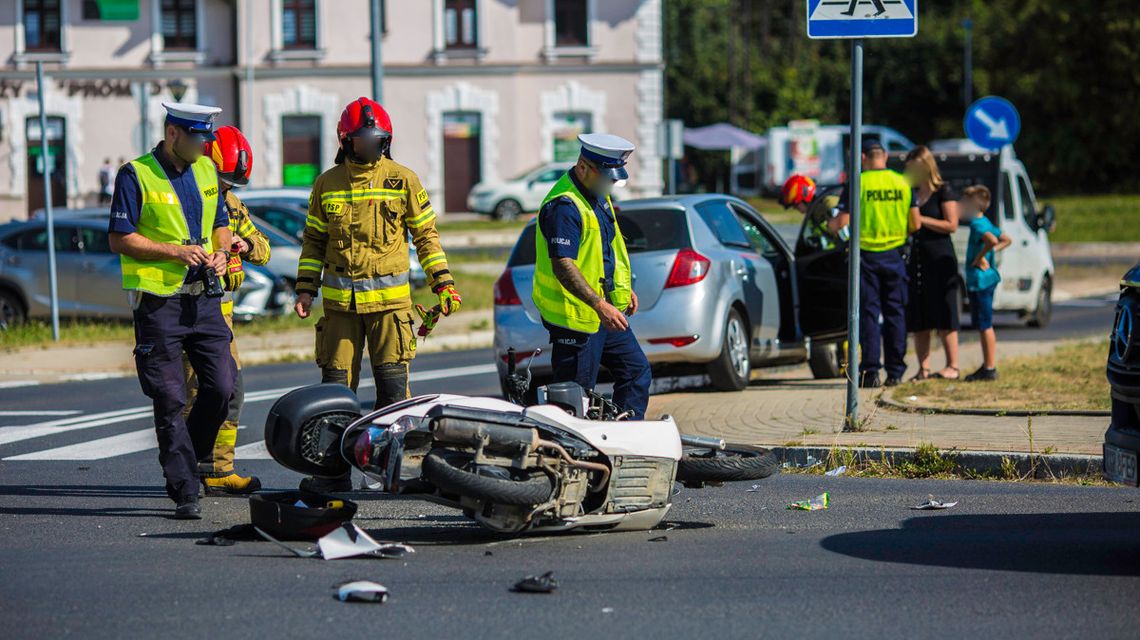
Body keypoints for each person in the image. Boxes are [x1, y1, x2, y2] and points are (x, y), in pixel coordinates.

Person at [294, 97, 460, 493]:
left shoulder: (402, 180)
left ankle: (391, 472)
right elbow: (314, 242)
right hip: (340, 310)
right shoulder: (326, 184)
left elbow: (426, 236)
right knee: (334, 392)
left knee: (392, 392)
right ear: (346, 140)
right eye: (364, 138)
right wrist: (305, 290)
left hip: (389, 309)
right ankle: (332, 473)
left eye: (378, 138)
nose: (372, 144)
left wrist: (444, 282)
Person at [108, 102, 235, 519]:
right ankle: (184, 490)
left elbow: (221, 221)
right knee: (169, 398)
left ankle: (191, 459)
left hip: (204, 298)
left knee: (221, 387)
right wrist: (173, 252)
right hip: (159, 303)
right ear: (173, 134)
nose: (206, 145)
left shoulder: (205, 169)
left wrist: (220, 251)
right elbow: (120, 237)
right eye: (199, 138)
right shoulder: (136, 174)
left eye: (208, 138)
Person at [533, 133, 651, 419]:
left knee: (636, 372)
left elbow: (603, 251)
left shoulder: (597, 194)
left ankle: (626, 440)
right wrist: (600, 305)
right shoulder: (564, 206)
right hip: (576, 318)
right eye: (607, 177)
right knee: (575, 396)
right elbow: (564, 264)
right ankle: (572, 456)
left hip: (603, 312)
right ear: (583, 167)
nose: (611, 184)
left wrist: (618, 292)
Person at [182, 125, 271, 495]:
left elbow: (263, 247)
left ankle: (218, 469)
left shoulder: (231, 203)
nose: (225, 190)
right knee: (192, 392)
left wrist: (243, 245)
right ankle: (186, 472)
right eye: (222, 181)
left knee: (230, 390)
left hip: (221, 314)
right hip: (183, 308)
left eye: (231, 184)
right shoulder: (184, 199)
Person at [836, 138, 921, 388]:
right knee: (896, 313)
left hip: (866, 257)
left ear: (862, 157)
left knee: (868, 315)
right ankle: (895, 372)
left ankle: (870, 371)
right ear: (885, 156)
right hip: (895, 256)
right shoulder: (903, 183)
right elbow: (915, 224)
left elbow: (842, 224)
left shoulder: (857, 182)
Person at [904, 146, 961, 381]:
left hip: (940, 258)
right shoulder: (911, 193)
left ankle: (953, 366)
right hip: (917, 258)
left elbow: (952, 224)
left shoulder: (943, 191)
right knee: (920, 315)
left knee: (945, 313)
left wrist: (922, 220)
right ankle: (923, 368)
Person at [960, 185, 1012, 381]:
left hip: (980, 281)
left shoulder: (976, 224)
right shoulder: (986, 221)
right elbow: (1005, 239)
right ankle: (987, 364)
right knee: (984, 324)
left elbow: (991, 240)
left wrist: (980, 256)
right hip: (987, 278)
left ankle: (989, 367)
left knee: (984, 324)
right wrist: (989, 254)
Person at [780, 174, 848, 250]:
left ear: (805, 197)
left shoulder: (829, 204)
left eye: (795, 205)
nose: (795, 208)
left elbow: (846, 237)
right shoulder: (814, 212)